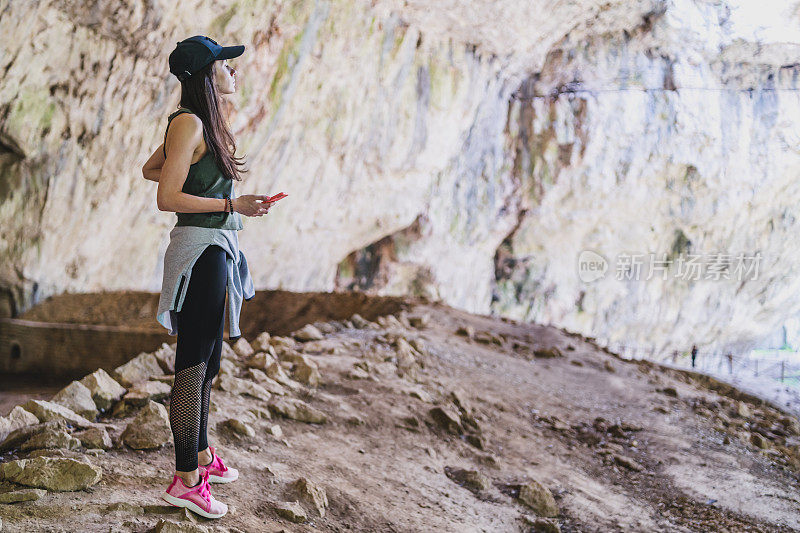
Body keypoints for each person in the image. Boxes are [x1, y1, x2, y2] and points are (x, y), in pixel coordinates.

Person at [141, 35, 277, 519]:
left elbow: (152, 169)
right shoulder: (190, 122)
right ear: (205, 75)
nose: (233, 72)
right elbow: (166, 197)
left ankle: (199, 456)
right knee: (191, 366)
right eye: (225, 65)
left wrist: (225, 199)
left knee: (209, 361)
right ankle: (184, 479)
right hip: (199, 251)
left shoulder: (198, 125)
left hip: (215, 247)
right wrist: (228, 205)